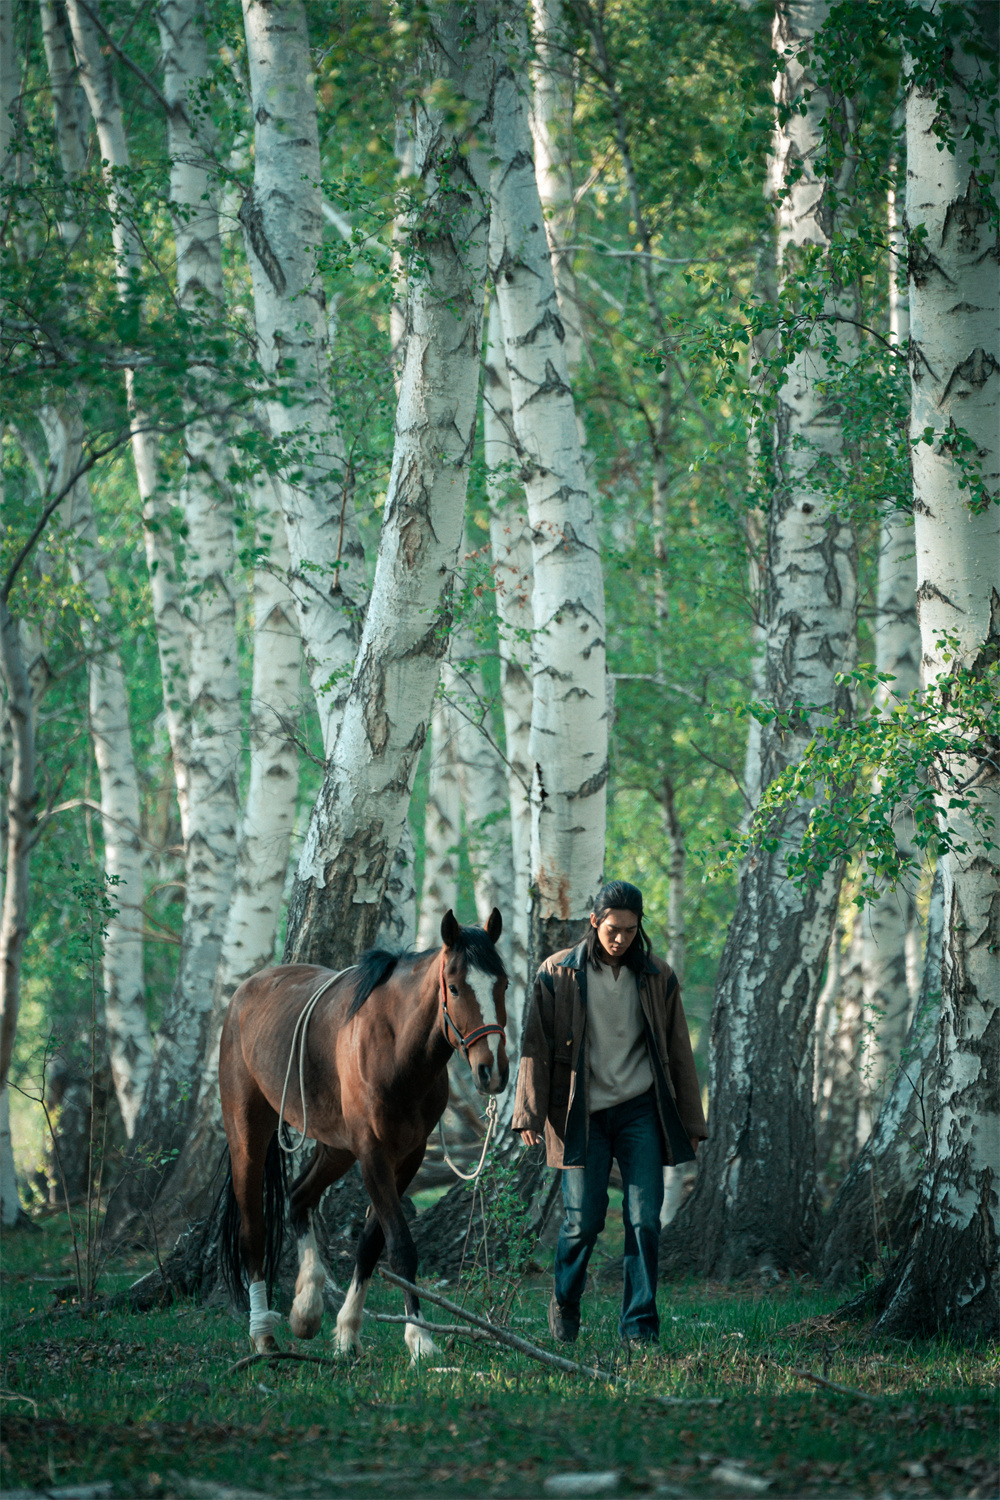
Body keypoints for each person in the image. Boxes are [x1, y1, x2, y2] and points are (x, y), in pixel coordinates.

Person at [512, 880, 707, 1346]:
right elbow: (536, 1046)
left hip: (640, 1111)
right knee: (583, 1221)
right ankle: (565, 1300)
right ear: (594, 922)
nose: (620, 939)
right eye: (612, 929)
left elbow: (679, 1051)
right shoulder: (557, 973)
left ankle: (639, 1327)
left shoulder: (658, 976)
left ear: (640, 928)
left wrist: (691, 1123)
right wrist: (528, 1113)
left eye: (630, 930)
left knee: (645, 1220)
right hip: (582, 1115)